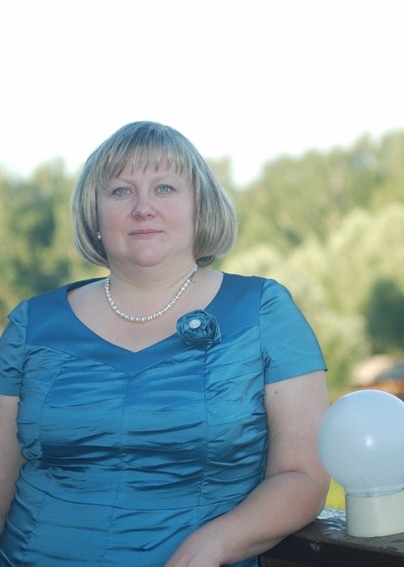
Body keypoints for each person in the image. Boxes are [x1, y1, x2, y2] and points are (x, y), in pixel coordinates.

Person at [0, 121, 329, 566]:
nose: (143, 208)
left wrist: (217, 542)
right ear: (94, 214)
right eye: (120, 191)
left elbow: (303, 476)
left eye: (165, 188)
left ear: (200, 207)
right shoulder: (30, 324)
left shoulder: (264, 311)